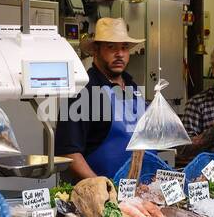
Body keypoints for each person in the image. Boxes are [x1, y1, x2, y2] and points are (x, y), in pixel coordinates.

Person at [54, 17, 146, 181]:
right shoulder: (83, 90)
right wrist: (103, 187)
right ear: (96, 50)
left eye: (124, 48)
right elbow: (68, 152)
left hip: (135, 192)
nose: (120, 54)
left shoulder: (133, 87)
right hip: (98, 195)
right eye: (111, 47)